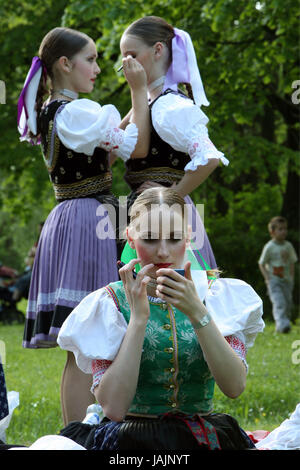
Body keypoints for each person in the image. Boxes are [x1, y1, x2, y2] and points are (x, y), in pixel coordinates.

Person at [57, 187, 264, 450]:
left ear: (189, 237)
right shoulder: (108, 303)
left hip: (202, 436)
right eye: (151, 239)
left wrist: (198, 312)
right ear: (131, 239)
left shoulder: (219, 296)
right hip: (130, 440)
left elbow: (234, 387)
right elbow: (115, 408)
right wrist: (139, 320)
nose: (163, 252)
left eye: (175, 238)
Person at [17, 26, 150, 425]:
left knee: (87, 337)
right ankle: (78, 435)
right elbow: (137, 149)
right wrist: (139, 90)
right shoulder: (79, 112)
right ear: (65, 63)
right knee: (86, 336)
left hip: (71, 216)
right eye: (90, 59)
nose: (96, 67)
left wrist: (128, 110)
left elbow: (106, 152)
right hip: (90, 220)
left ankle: (84, 429)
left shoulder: (60, 110)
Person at [116, 16, 229, 271]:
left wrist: (171, 197)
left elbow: (210, 157)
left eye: (131, 55)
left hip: (168, 218)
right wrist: (138, 95)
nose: (125, 64)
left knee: (175, 290)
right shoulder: (147, 104)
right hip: (144, 218)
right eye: (123, 57)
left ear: (157, 50)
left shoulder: (170, 105)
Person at [258, 216, 298, 333]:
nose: (283, 231)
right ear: (272, 232)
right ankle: (283, 326)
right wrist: (267, 278)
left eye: (285, 229)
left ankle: (282, 324)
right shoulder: (269, 246)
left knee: (287, 303)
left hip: (286, 280)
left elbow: (292, 262)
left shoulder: (288, 246)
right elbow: (261, 263)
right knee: (279, 302)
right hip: (274, 281)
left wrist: (291, 277)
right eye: (280, 229)